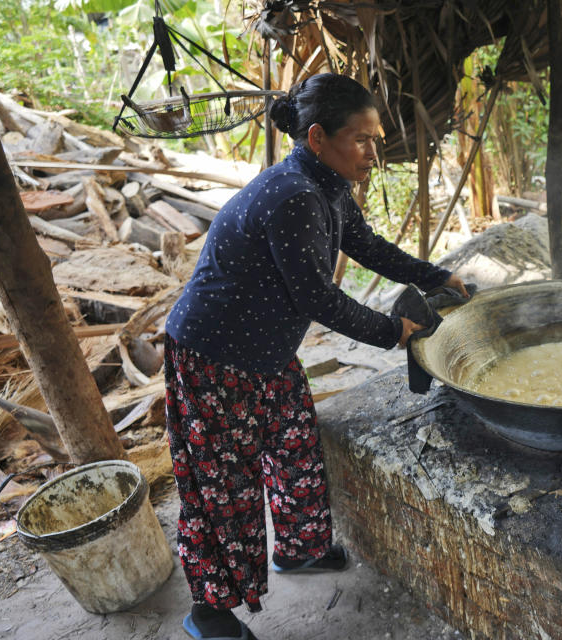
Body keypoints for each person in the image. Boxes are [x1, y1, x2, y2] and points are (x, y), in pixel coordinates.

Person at [164, 73, 468, 640]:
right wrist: (391, 331)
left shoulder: (326, 183)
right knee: (223, 486)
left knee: (293, 447)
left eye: (376, 139)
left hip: (267, 348)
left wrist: (436, 274)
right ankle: (208, 610)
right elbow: (317, 298)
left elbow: (365, 245)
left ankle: (299, 551)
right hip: (214, 354)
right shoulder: (294, 196)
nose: (373, 153)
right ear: (317, 136)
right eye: (363, 139)